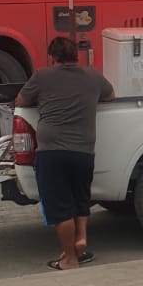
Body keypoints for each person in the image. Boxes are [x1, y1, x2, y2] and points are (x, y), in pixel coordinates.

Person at [15, 36, 114, 272]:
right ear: (76, 56)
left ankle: (69, 259)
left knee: (60, 208)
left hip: (52, 152)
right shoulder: (93, 76)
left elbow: (21, 100)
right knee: (80, 199)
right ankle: (81, 240)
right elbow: (110, 95)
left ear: (52, 57)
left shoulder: (42, 76)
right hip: (83, 152)